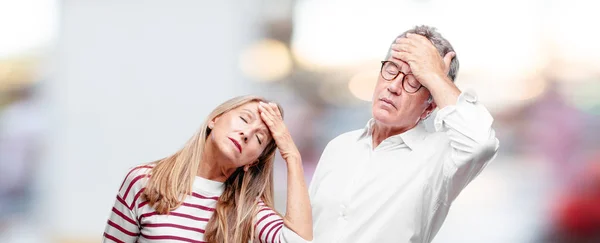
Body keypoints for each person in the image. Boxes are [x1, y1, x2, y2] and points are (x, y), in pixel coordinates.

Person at [309, 25, 500, 242]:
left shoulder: (438, 159)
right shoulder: (338, 147)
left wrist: (434, 75)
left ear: (429, 107)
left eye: (414, 81)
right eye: (391, 69)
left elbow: (481, 142)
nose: (393, 87)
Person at [103, 96, 313, 243]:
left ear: (253, 162)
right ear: (215, 119)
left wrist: (291, 155)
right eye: (244, 119)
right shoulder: (144, 179)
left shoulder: (248, 210)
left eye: (259, 138)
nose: (247, 133)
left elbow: (297, 241)